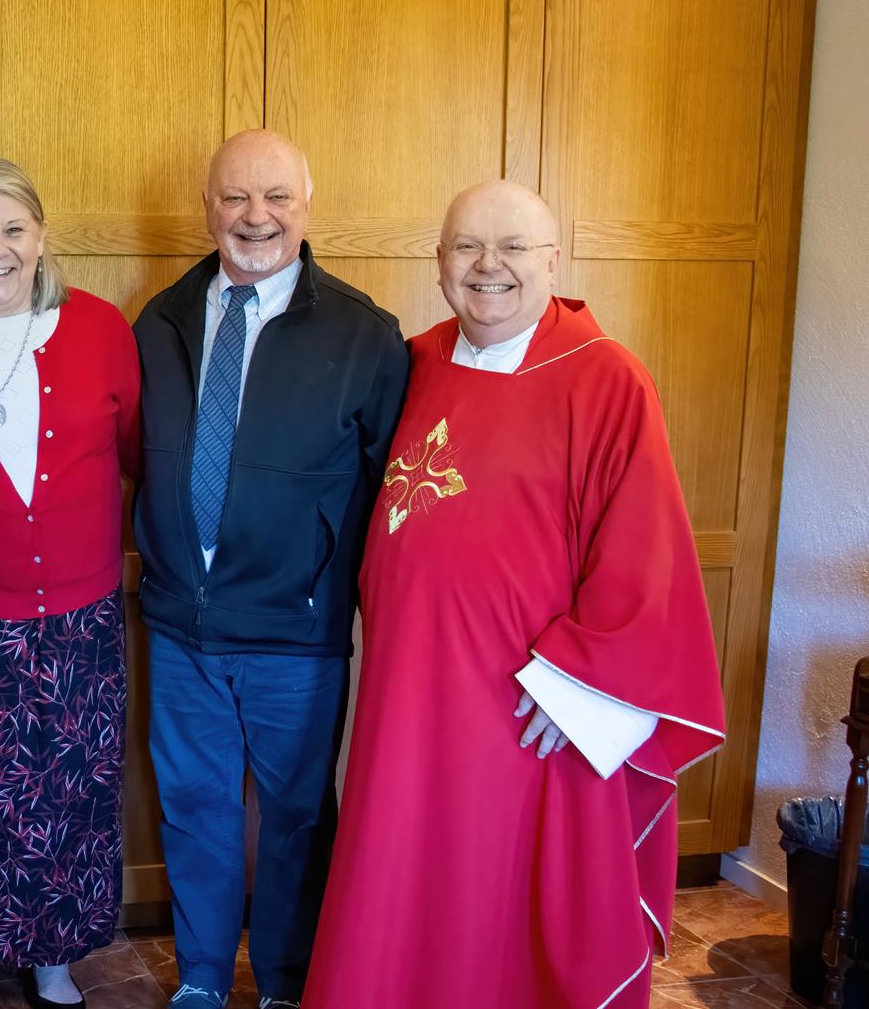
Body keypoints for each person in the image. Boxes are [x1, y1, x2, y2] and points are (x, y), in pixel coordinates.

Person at [302, 180, 726, 1008]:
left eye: (513, 248)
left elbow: (647, 556)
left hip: (522, 711)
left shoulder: (606, 381)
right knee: (399, 875)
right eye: (466, 247)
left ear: (554, 261)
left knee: (496, 907)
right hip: (405, 699)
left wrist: (576, 686)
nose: (488, 267)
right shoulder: (416, 360)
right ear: (438, 262)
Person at [132, 129, 408, 1009]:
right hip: (181, 624)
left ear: (307, 202)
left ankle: (287, 983)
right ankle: (205, 980)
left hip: (298, 631)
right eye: (235, 198)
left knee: (294, 821)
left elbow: (392, 493)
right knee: (194, 811)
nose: (256, 217)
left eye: (276, 197)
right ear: (207, 206)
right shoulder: (161, 319)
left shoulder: (367, 335)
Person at [0, 159, 140, 1009]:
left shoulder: (101, 331)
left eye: (13, 229)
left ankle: (54, 958)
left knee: (72, 796)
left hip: (81, 621)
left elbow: (137, 457)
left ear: (42, 239)